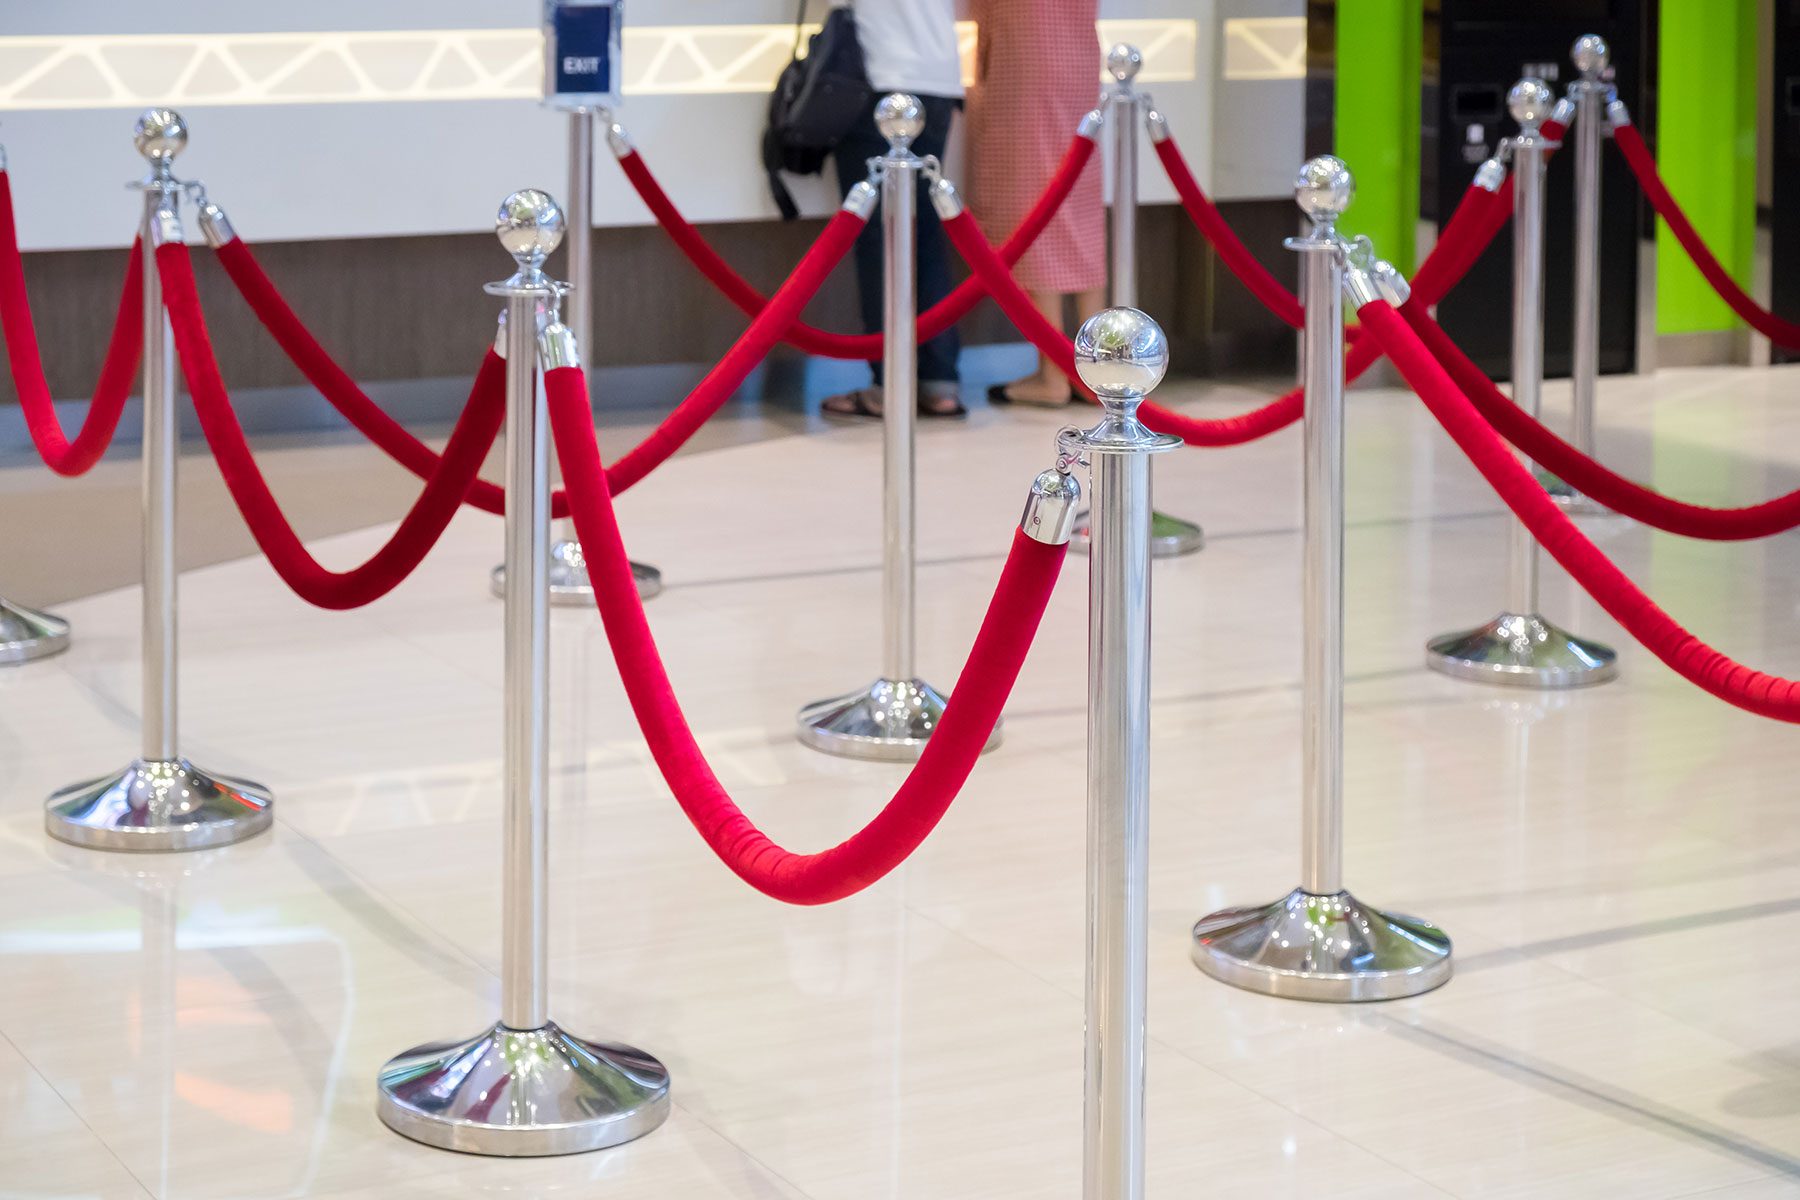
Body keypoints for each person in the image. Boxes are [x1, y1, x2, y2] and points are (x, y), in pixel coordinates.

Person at [822, 0, 967, 419]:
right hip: (939, 75)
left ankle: (890, 383)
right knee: (925, 234)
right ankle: (940, 382)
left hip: (879, 78)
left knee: (879, 241)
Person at [967, 0, 1104, 407]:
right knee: (1076, 200)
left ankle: (1053, 372)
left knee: (1036, 203)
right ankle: (1092, 370)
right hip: (1077, 56)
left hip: (1026, 55)